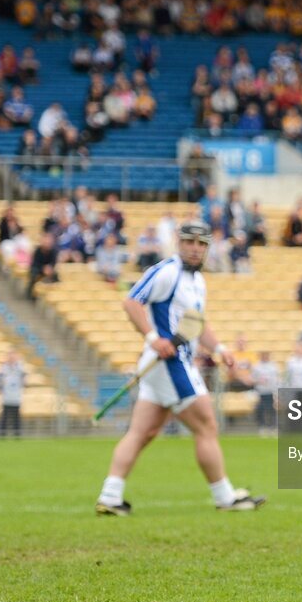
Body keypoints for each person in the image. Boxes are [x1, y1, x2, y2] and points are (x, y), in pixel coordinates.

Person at [95, 221, 266, 515]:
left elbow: (196, 324)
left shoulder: (197, 281)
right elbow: (131, 303)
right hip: (170, 364)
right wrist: (153, 338)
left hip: (167, 366)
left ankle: (110, 496)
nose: (195, 249)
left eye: (201, 244)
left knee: (141, 433)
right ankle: (225, 497)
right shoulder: (166, 272)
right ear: (179, 243)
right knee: (206, 426)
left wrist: (221, 349)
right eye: (190, 242)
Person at [0, 349, 26, 437]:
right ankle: (2, 434)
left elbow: (24, 380)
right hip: (6, 396)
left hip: (16, 396)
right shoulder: (4, 368)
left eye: (13, 355)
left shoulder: (20, 368)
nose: (11, 357)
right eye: (10, 355)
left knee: (16, 417)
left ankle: (17, 434)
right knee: (5, 417)